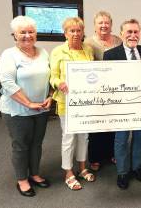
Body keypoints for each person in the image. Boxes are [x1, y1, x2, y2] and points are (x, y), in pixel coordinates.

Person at [0, 16, 52, 197]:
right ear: (14, 35)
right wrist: (29, 103)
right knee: (21, 145)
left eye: (31, 31)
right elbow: (7, 83)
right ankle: (22, 179)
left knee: (36, 143)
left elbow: (50, 78)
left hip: (41, 108)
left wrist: (50, 97)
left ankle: (35, 173)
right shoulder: (9, 55)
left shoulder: (43, 52)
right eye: (23, 32)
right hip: (17, 109)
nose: (28, 35)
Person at [103, 19, 141, 189]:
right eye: (129, 32)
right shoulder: (110, 55)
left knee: (139, 138)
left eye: (136, 32)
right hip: (121, 106)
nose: (133, 35)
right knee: (121, 139)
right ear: (121, 34)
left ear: (139, 33)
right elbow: (107, 82)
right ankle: (123, 172)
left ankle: (137, 167)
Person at [50, 17, 95, 191]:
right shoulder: (58, 51)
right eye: (72, 31)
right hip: (66, 101)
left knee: (84, 135)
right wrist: (58, 83)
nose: (76, 34)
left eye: (79, 30)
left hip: (85, 101)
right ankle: (68, 172)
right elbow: (52, 76)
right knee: (69, 137)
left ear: (83, 32)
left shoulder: (88, 50)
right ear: (65, 33)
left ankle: (83, 167)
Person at [84, 11, 122, 171]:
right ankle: (95, 157)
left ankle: (112, 153)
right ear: (95, 26)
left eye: (107, 22)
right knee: (97, 126)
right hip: (97, 91)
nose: (104, 25)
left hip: (115, 89)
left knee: (113, 124)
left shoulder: (119, 40)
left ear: (111, 25)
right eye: (100, 23)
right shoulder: (88, 43)